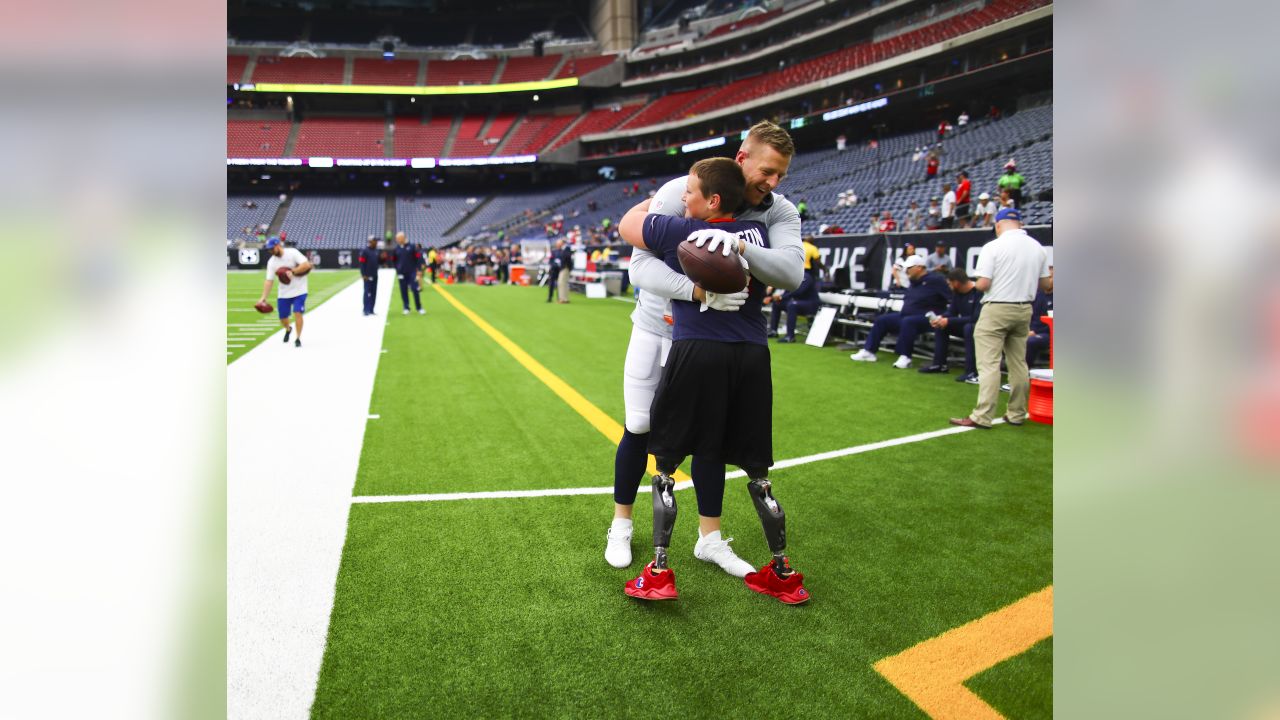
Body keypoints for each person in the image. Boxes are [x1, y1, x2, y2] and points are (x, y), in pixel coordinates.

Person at [605, 122, 801, 586]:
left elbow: (791, 273)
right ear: (742, 159)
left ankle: (709, 538)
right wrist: (697, 290)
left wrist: (737, 248)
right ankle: (622, 523)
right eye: (767, 171)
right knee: (640, 425)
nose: (772, 184)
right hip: (658, 328)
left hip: (714, 340)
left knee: (711, 437)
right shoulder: (684, 190)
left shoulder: (779, 210)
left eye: (781, 176)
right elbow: (639, 262)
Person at [950, 208, 1052, 428]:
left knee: (989, 365)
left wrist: (974, 284)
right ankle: (1016, 414)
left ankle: (982, 416)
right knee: (1019, 363)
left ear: (998, 225)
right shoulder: (1038, 248)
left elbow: (984, 284)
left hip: (996, 308)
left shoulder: (993, 247)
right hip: (1025, 308)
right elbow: (1046, 286)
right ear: (1020, 224)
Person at [850, 255, 951, 369]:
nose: (906, 271)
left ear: (919, 268)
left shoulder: (935, 280)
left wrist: (944, 316)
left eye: (909, 268)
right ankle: (869, 351)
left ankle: (905, 357)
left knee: (908, 322)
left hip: (927, 319)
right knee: (883, 320)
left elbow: (950, 298)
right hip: (907, 316)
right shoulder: (913, 282)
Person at [919, 267, 982, 375]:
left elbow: (976, 318)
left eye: (949, 283)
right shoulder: (957, 294)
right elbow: (951, 313)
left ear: (956, 283)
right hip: (965, 326)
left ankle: (971, 371)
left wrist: (948, 320)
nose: (949, 286)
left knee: (969, 327)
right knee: (941, 326)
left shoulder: (978, 292)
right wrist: (940, 318)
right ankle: (939, 364)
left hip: (980, 327)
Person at [257, 236, 312, 348]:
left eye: (272, 248)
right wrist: (263, 297)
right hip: (284, 293)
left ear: (278, 245)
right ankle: (288, 329)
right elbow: (269, 280)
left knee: (298, 312)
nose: (270, 251)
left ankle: (298, 338)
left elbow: (306, 265)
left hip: (300, 290)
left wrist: (293, 271)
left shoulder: (292, 253)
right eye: (269, 249)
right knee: (283, 318)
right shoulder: (271, 262)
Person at [1025, 266, 1054, 366]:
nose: (1047, 280)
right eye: (1045, 278)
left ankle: (1026, 371)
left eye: (1050, 277)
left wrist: (1035, 332)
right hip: (1029, 330)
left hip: (1048, 334)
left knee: (1030, 341)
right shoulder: (1036, 296)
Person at [392, 232, 425, 315]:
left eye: (398, 238)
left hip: (412, 272)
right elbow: (394, 260)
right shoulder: (396, 248)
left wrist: (419, 270)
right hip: (401, 273)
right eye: (396, 238)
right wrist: (397, 269)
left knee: (415, 289)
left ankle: (419, 307)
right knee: (403, 290)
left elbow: (418, 258)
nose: (397, 240)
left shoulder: (412, 247)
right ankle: (406, 307)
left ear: (403, 238)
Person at [358, 235, 379, 316]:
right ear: (371, 241)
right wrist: (363, 274)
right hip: (367, 275)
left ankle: (371, 309)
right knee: (367, 292)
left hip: (375, 275)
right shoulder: (364, 251)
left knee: (374, 293)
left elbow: (377, 262)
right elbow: (362, 263)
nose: (376, 242)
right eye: (375, 241)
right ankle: (365, 309)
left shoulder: (376, 250)